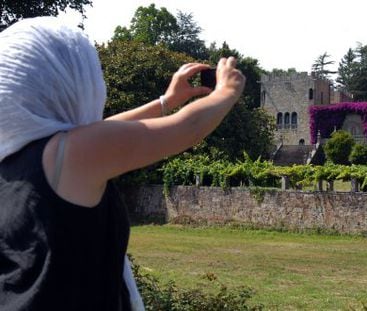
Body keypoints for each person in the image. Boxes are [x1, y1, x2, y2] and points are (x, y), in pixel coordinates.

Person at [0, 16, 245, 311]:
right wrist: (226, 92)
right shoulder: (73, 155)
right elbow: (186, 128)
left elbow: (102, 132)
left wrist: (166, 101)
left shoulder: (18, 162)